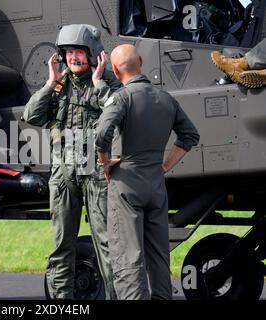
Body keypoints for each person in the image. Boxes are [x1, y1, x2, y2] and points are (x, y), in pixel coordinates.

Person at [23, 24, 121, 299]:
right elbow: (32, 116)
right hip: (64, 169)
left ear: (92, 54)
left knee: (106, 243)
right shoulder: (58, 85)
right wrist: (49, 82)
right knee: (61, 244)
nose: (73, 58)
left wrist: (100, 83)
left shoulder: (108, 84)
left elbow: (120, 111)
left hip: (96, 170)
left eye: (79, 51)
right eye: (68, 53)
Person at [95, 44, 200, 300]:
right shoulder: (166, 99)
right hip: (155, 183)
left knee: (128, 256)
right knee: (158, 254)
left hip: (126, 184)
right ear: (141, 61)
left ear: (116, 70)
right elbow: (190, 135)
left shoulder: (121, 98)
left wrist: (105, 162)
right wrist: (164, 166)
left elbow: (100, 135)